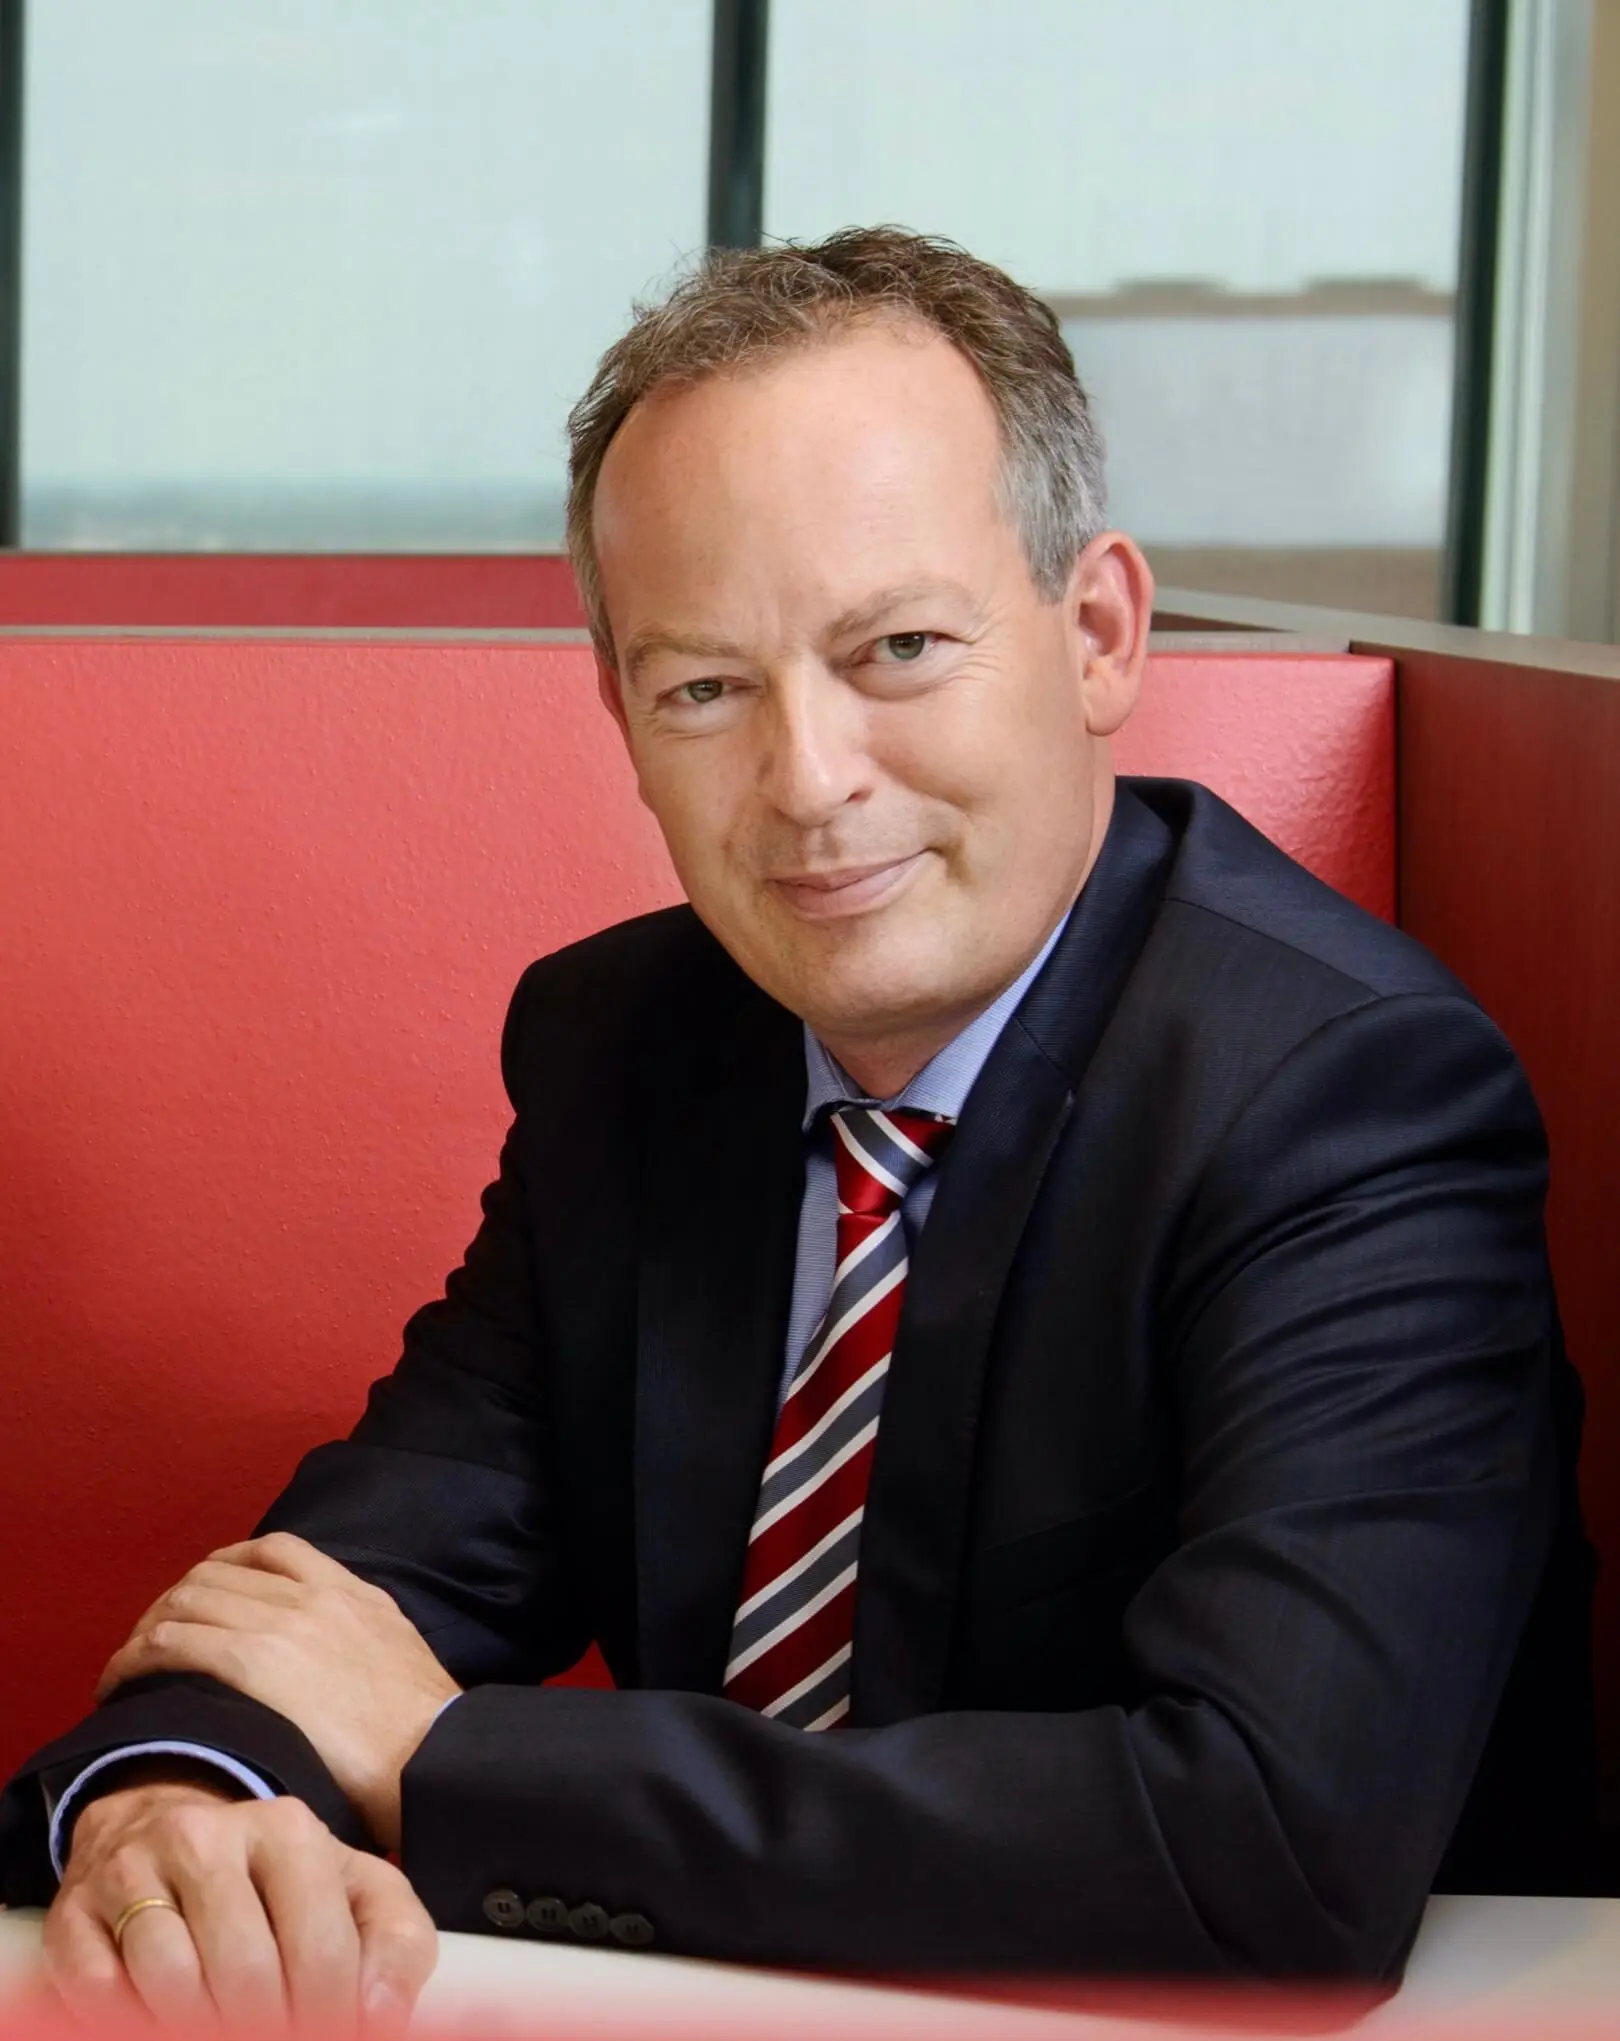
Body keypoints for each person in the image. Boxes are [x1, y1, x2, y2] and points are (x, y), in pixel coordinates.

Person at [0, 228, 1594, 2023]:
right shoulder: (633, 1048)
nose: (811, 780)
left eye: (898, 647)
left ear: (1097, 634)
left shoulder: (1349, 1096)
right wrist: (178, 1795)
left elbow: (1268, 1850)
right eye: (703, 686)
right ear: (620, 714)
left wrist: (450, 1761)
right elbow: (355, 1590)